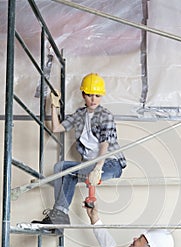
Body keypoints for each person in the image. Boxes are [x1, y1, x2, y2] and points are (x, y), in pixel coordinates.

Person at [32, 73, 127, 225]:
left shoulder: (106, 115)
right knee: (61, 167)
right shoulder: (79, 115)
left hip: (109, 164)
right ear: (83, 95)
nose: (93, 99)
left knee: (67, 172)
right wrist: (53, 106)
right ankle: (60, 216)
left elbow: (105, 143)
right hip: (89, 166)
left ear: (102, 96)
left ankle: (58, 213)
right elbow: (56, 128)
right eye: (89, 95)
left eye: (97, 95)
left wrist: (98, 167)